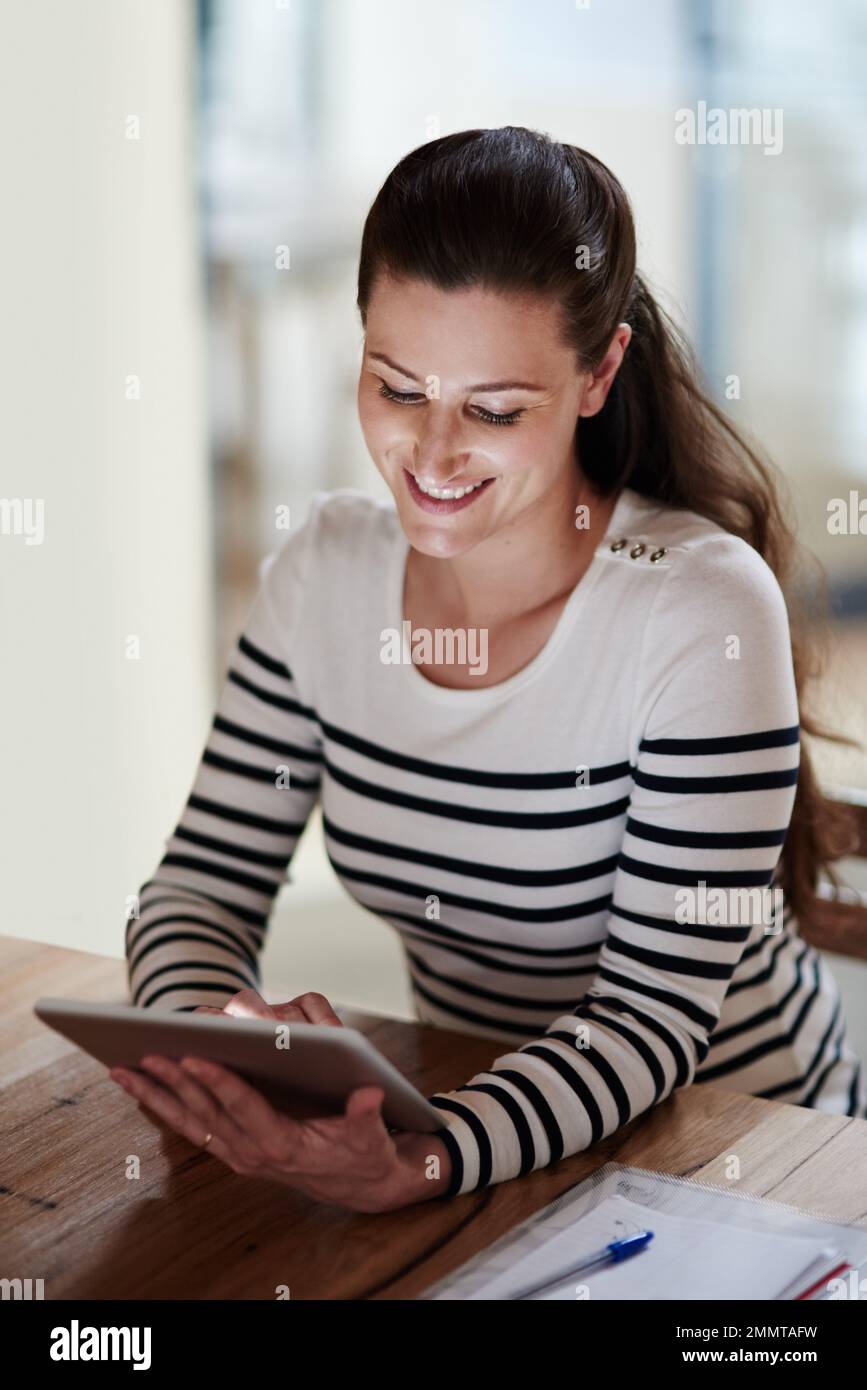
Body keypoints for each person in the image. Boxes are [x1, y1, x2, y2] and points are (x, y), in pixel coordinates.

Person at [117, 126, 865, 1212]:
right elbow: (198, 891)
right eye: (397, 386)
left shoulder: (698, 610)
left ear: (600, 371)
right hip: (492, 1144)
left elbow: (645, 1023)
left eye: (495, 410)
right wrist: (210, 1068)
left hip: (743, 1162)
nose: (429, 454)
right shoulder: (323, 577)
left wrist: (427, 1156)